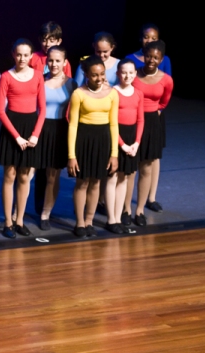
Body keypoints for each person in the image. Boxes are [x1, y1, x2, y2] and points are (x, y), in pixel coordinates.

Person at [0, 38, 46, 238]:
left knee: (25, 176)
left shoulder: (38, 76)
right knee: (10, 175)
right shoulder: (6, 77)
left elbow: (42, 109)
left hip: (31, 127)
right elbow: (0, 110)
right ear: (13, 55)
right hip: (12, 129)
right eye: (19, 54)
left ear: (31, 56)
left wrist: (35, 135)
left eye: (26, 55)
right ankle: (8, 222)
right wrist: (16, 137)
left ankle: (20, 220)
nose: (22, 58)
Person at [67, 55, 119, 237]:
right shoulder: (78, 94)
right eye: (95, 75)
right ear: (87, 75)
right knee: (82, 182)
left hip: (103, 141)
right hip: (84, 140)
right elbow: (73, 125)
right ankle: (80, 223)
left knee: (96, 182)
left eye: (102, 74)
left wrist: (114, 154)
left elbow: (114, 124)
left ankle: (89, 221)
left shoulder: (112, 93)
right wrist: (71, 155)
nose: (99, 78)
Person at [29, 21, 72, 215]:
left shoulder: (64, 63)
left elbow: (66, 89)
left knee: (51, 171)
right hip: (37, 120)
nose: (47, 44)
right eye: (45, 40)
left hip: (57, 122)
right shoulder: (33, 58)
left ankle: (45, 208)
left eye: (52, 40)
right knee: (34, 169)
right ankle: (28, 206)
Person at [131, 40, 173, 226]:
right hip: (132, 122)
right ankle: (125, 210)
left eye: (156, 57)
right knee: (129, 170)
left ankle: (139, 210)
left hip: (152, 124)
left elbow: (164, 102)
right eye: (149, 56)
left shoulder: (166, 79)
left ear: (161, 59)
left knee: (146, 168)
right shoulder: (134, 74)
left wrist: (154, 110)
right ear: (144, 56)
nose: (151, 60)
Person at [36, 45, 76, 230]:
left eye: (58, 60)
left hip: (59, 129)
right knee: (28, 174)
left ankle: (45, 213)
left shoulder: (71, 84)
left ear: (65, 62)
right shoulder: (39, 81)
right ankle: (16, 214)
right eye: (50, 60)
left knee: (52, 176)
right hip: (39, 129)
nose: (54, 64)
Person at [113, 59, 144, 230]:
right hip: (117, 137)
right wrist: (122, 144)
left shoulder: (138, 93)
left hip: (132, 138)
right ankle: (112, 216)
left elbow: (140, 119)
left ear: (135, 74)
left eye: (131, 72)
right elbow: (111, 122)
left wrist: (137, 142)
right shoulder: (113, 92)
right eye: (124, 72)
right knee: (113, 177)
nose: (128, 76)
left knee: (124, 177)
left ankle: (121, 214)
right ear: (118, 73)